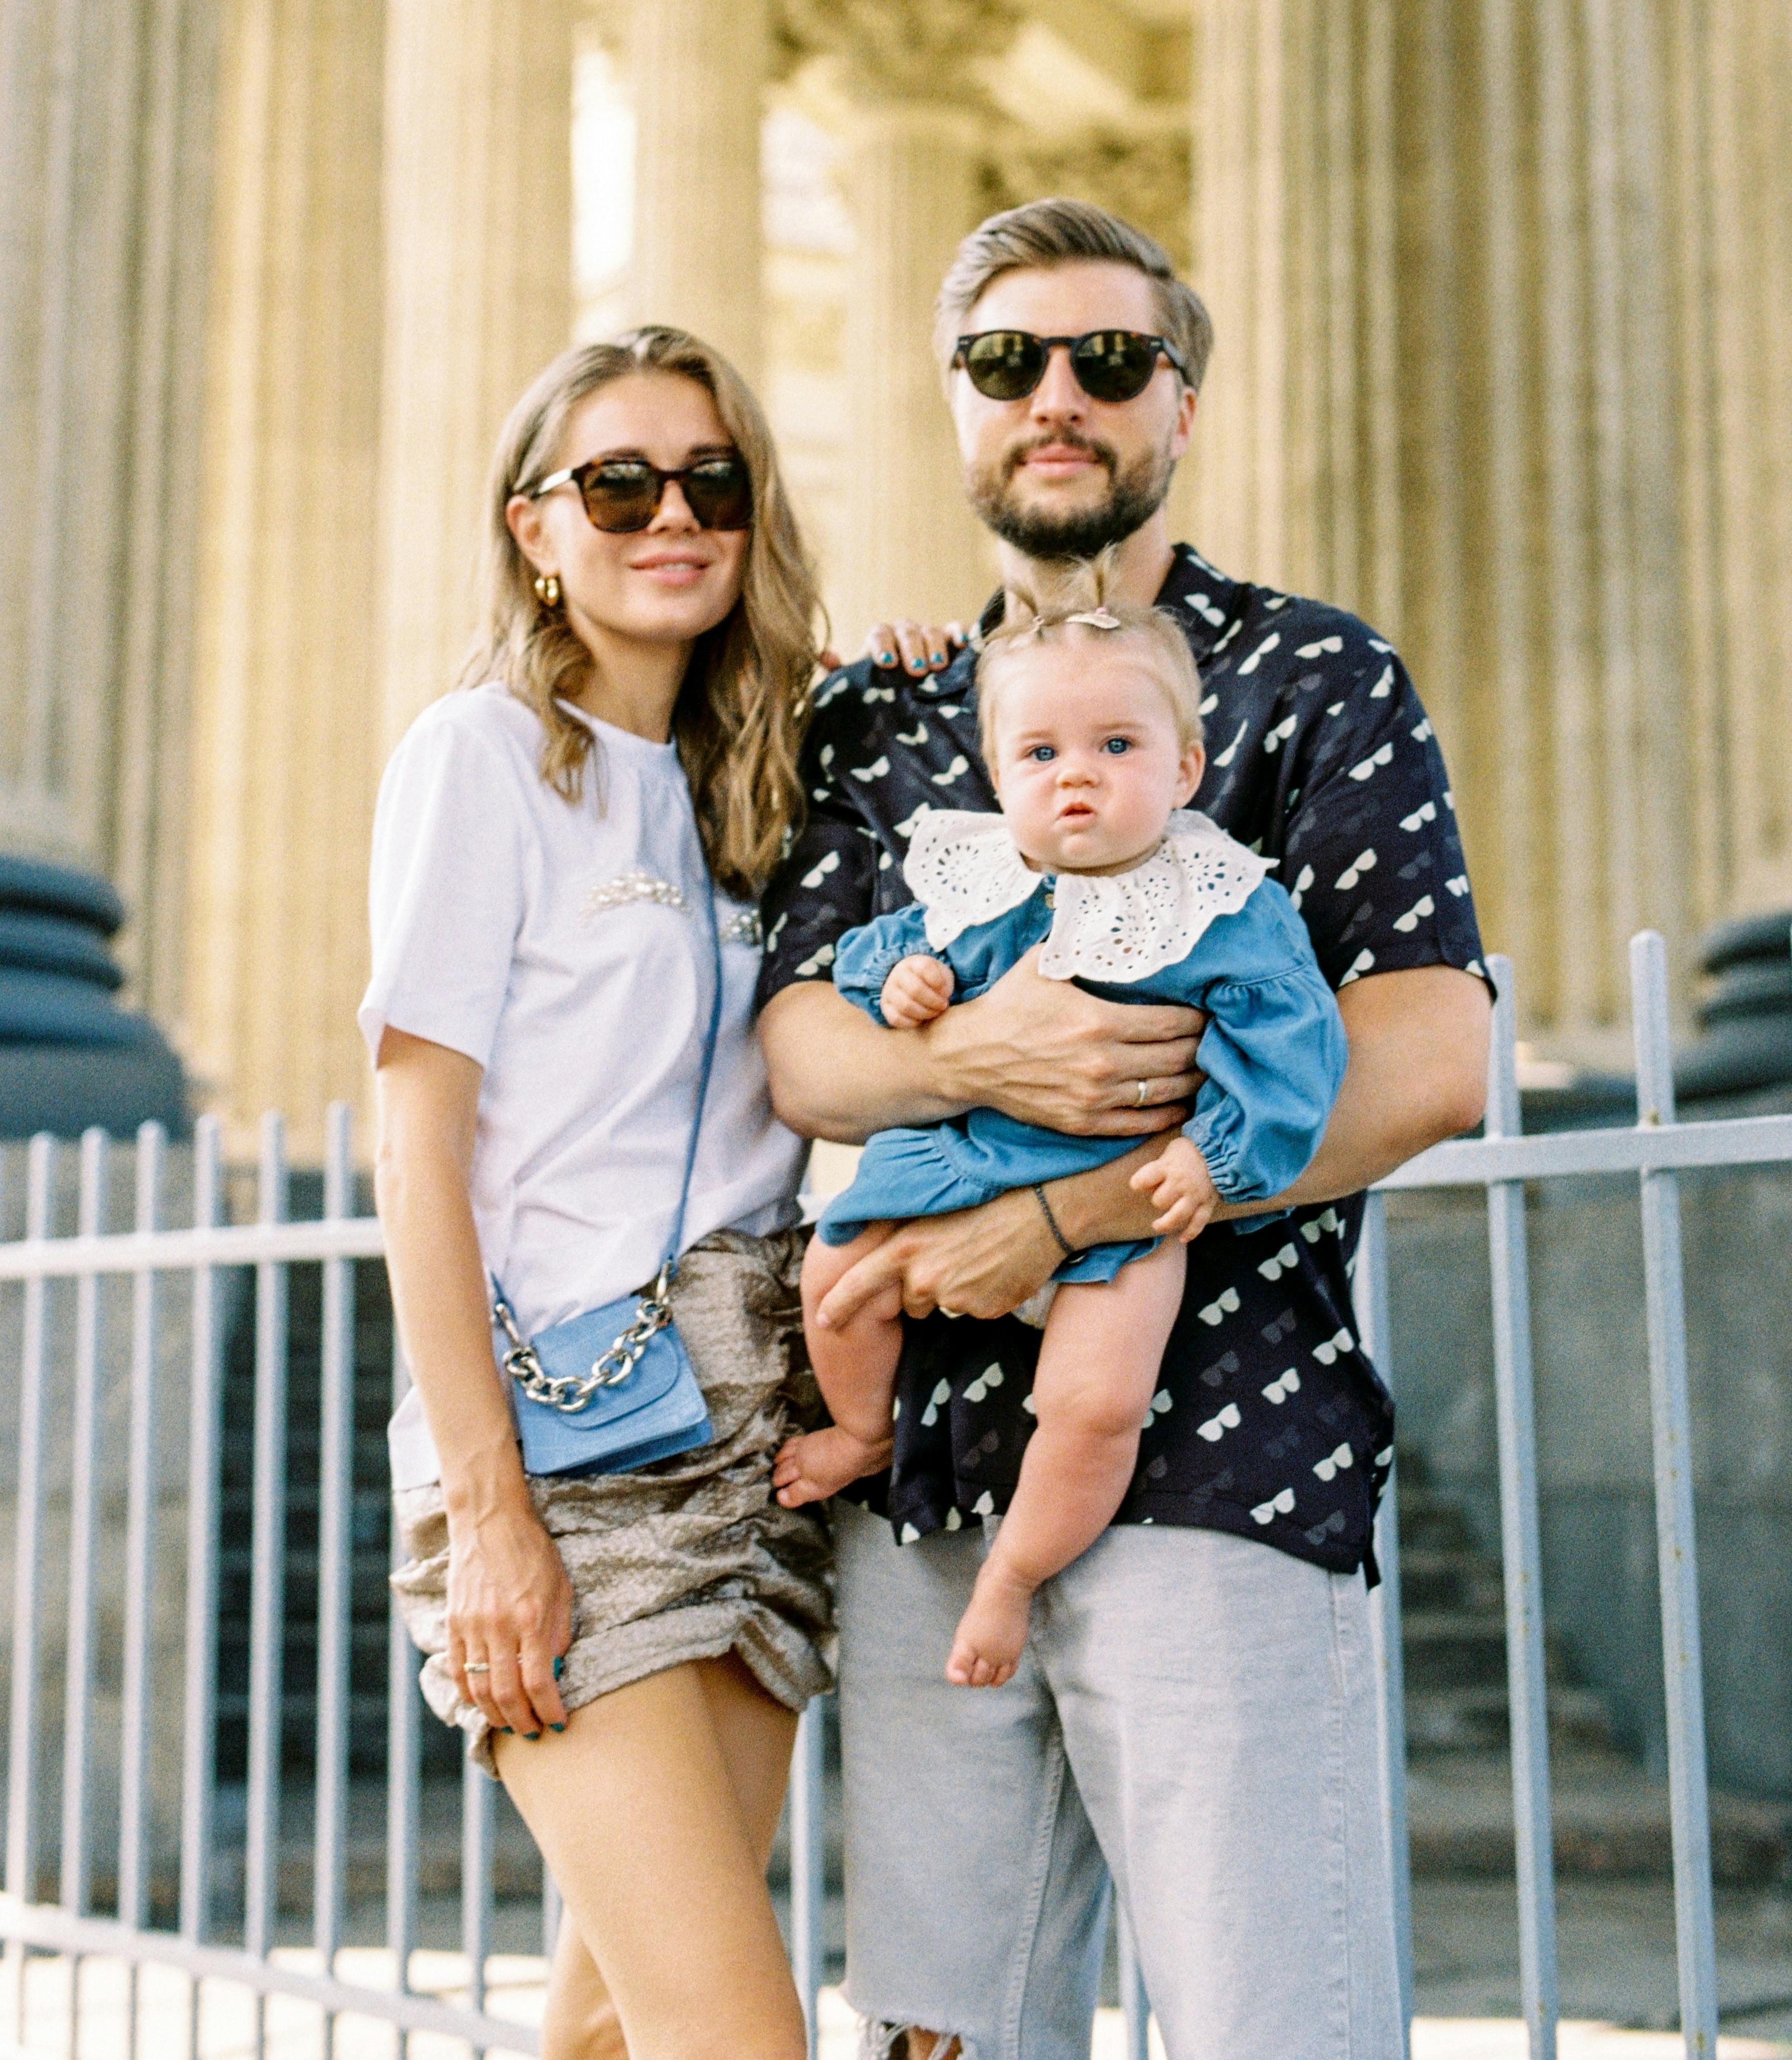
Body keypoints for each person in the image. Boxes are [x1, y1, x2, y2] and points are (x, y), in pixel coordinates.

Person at [755, 200, 1493, 2060]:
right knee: (939, 2031)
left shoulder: (1319, 679)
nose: (1056, 398)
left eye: (1109, 359)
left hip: (1219, 1455)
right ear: (957, 409)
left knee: (1273, 2022)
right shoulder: (885, 715)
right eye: (1008, 364)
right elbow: (802, 1052)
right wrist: (976, 1061)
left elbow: (1426, 1054)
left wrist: (1069, 1207)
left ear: (1186, 401)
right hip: (926, 1473)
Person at [365, 328, 832, 2060]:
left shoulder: (765, 778)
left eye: (712, 480)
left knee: (611, 2031)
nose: (672, 516)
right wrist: (487, 1512)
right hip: (566, 1448)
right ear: (533, 528)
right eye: (618, 483)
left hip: (759, 1427)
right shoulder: (479, 758)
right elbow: (414, 1144)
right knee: (734, 2033)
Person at [774, 556, 1347, 1694]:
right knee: (833, 1279)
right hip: (960, 1162)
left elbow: (1294, 1046)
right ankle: (859, 1429)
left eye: (1114, 747)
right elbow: (876, 955)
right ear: (997, 773)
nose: (1073, 778)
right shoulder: (980, 877)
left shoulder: (1221, 903)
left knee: (1095, 1403)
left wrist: (1212, 1155)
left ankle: (1013, 1575)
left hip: (1119, 1203)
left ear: (1184, 766)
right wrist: (904, 990)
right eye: (1040, 755)